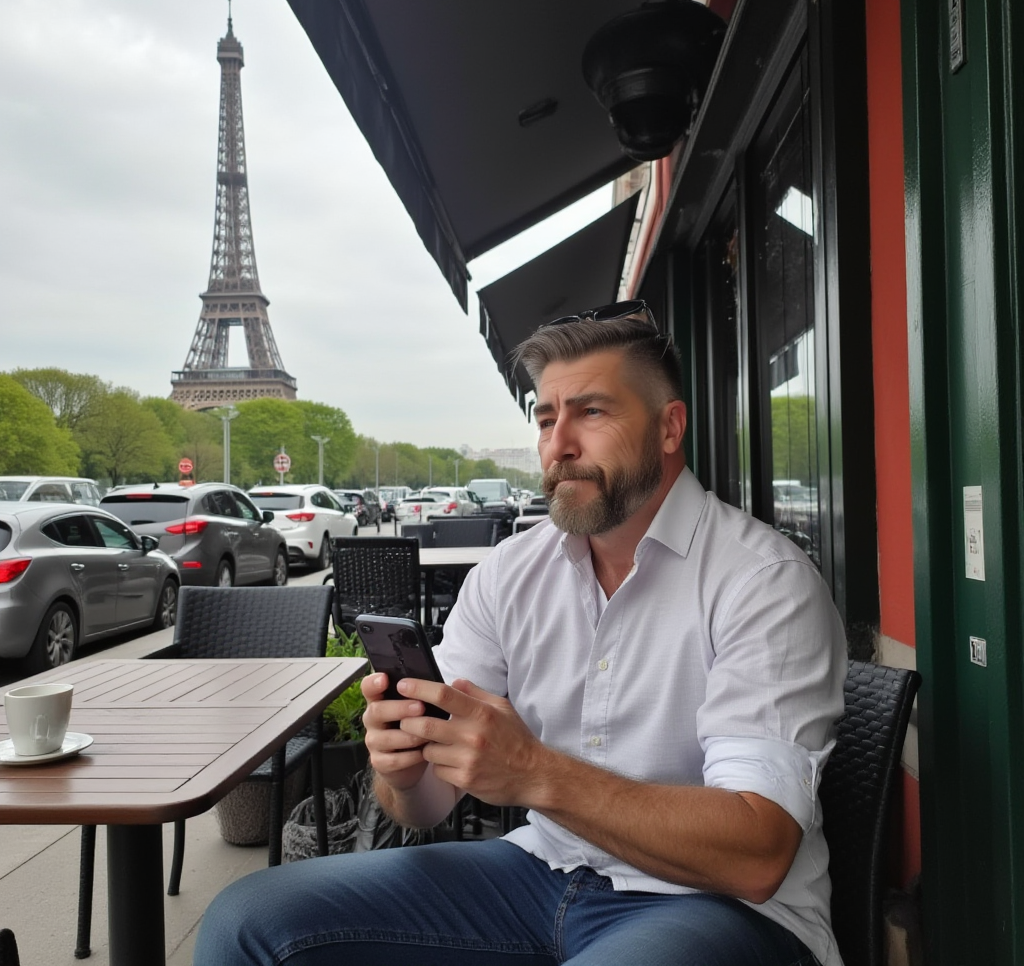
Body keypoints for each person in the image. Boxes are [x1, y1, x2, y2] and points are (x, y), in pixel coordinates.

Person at [194, 302, 847, 966]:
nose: (558, 444)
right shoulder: (510, 572)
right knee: (245, 921)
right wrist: (404, 765)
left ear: (669, 427)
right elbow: (421, 807)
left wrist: (535, 772)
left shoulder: (763, 580)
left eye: (591, 412)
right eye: (544, 417)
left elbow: (757, 855)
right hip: (541, 872)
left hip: (718, 906)